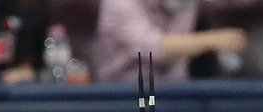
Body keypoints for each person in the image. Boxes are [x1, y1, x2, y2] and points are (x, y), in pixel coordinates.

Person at [93, 0, 246, 82]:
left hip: (177, 92)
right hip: (125, 95)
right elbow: (154, 48)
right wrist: (210, 40)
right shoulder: (121, 4)